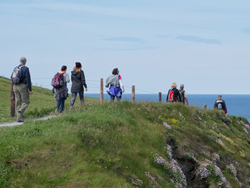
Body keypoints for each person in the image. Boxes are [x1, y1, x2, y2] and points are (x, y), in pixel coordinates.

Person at [11, 57, 33, 122]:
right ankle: (20, 111)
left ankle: (19, 118)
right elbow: (28, 79)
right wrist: (30, 89)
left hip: (15, 86)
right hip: (22, 86)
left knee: (17, 102)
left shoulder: (16, 68)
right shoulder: (26, 68)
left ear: (20, 61)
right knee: (26, 101)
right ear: (25, 62)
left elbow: (11, 77)